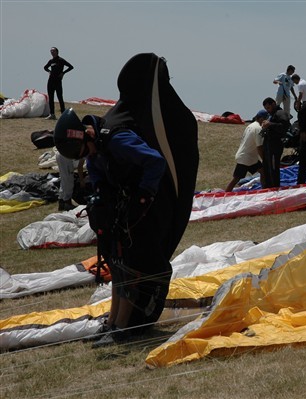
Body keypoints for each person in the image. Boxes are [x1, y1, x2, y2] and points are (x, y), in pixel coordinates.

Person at [53, 53, 199, 348]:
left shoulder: (116, 138)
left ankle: (125, 326)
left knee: (132, 266)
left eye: (84, 152)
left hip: (142, 210)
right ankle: (112, 322)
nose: (87, 159)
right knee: (116, 264)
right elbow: (97, 175)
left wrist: (143, 198)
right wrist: (98, 201)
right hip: (122, 210)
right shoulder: (95, 147)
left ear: (86, 135)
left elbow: (155, 162)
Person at [225, 110, 269, 192]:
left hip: (248, 157)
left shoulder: (250, 126)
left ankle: (264, 191)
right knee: (236, 178)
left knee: (263, 172)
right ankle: (226, 193)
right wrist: (264, 159)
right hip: (247, 158)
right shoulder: (259, 129)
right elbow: (259, 147)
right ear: (262, 119)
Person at [262, 97, 292, 188]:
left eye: (268, 108)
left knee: (274, 167)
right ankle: (268, 186)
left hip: (275, 145)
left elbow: (285, 126)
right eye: (266, 109)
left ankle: (274, 187)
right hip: (268, 144)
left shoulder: (280, 113)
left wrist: (270, 124)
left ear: (273, 104)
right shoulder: (271, 115)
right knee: (268, 166)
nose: (268, 110)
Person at [43, 47, 74, 120]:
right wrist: (49, 71)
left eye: (53, 51)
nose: (52, 52)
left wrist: (63, 73)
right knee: (51, 98)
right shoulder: (51, 61)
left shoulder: (61, 60)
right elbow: (45, 67)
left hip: (58, 81)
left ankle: (63, 114)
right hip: (50, 81)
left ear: (57, 52)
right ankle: (52, 114)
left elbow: (71, 67)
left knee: (60, 97)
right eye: (51, 51)